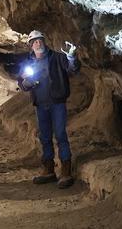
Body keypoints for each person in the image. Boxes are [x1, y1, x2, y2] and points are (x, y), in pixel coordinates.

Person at [17, 30, 80, 189]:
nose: (38, 43)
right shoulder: (28, 63)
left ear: (44, 42)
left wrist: (71, 56)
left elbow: (72, 69)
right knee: (45, 137)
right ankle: (49, 169)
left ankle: (66, 171)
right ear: (31, 46)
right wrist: (26, 83)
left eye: (39, 40)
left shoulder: (58, 58)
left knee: (60, 134)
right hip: (40, 104)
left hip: (57, 103)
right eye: (34, 42)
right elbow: (22, 83)